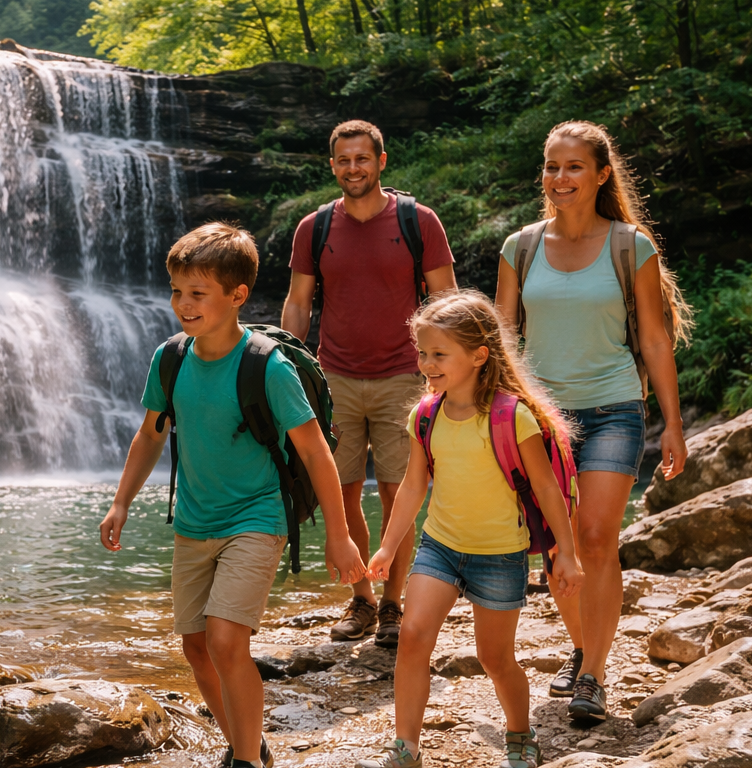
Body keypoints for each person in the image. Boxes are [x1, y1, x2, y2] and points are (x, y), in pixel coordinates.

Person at [100, 223, 366, 768]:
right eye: (177, 291)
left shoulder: (268, 366)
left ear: (237, 295)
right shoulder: (170, 358)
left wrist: (338, 538)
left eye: (198, 293)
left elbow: (317, 454)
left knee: (225, 643)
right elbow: (150, 434)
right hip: (194, 523)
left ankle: (245, 761)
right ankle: (249, 744)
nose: (183, 304)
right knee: (195, 648)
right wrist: (121, 500)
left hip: (257, 517)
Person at [494, 120, 693, 724]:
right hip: (541, 419)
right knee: (559, 549)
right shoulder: (519, 247)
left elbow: (656, 341)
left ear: (601, 174)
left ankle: (593, 674)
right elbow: (501, 341)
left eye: (573, 166)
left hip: (614, 408)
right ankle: (582, 645)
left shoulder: (631, 245)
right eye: (552, 167)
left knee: (598, 539)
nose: (560, 178)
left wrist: (674, 423)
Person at [364, 290, 583, 768]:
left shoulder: (512, 416)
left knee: (494, 658)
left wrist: (565, 553)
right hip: (439, 546)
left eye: (439, 354)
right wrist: (387, 547)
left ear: (479, 356)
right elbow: (412, 486)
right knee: (414, 636)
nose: (427, 364)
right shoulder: (425, 415)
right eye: (422, 352)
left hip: (500, 555)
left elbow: (548, 492)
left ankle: (520, 733)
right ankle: (406, 748)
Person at [281, 120, 457, 647]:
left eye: (362, 159)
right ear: (331, 165)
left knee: (401, 491)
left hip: (405, 376)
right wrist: (288, 364)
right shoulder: (313, 228)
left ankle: (393, 604)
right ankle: (361, 596)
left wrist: (447, 371)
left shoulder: (417, 221)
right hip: (334, 376)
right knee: (342, 491)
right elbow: (298, 302)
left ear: (382, 161)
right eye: (343, 160)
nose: (353, 168)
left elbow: (445, 297)